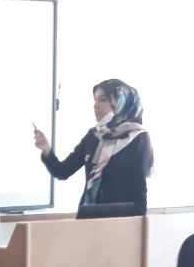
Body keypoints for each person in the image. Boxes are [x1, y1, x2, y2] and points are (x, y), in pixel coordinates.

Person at [33, 79, 153, 215]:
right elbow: (63, 171)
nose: (95, 105)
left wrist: (139, 224)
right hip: (89, 217)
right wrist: (46, 150)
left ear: (121, 102)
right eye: (95, 100)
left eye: (103, 100)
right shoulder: (94, 135)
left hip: (120, 220)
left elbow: (139, 190)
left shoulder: (138, 138)